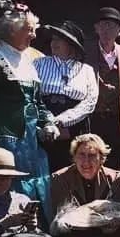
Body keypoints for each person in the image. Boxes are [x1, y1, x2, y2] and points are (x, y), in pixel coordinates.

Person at [0, 0, 60, 220]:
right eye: (28, 29)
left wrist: (47, 122)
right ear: (11, 30)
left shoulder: (29, 62)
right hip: (7, 142)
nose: (33, 34)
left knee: (39, 193)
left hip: (31, 142)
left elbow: (37, 102)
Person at [34, 21, 98, 173]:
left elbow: (90, 102)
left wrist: (62, 121)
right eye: (53, 39)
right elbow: (32, 96)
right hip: (43, 126)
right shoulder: (38, 64)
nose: (54, 43)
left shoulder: (86, 70)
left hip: (75, 128)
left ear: (72, 45)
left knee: (72, 172)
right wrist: (48, 122)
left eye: (59, 40)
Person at [84, 7, 120, 171]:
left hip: (118, 120)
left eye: (111, 26)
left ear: (119, 30)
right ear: (96, 28)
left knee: (117, 164)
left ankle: (116, 195)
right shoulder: (85, 52)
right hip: (94, 118)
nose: (107, 30)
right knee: (91, 159)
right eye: (103, 25)